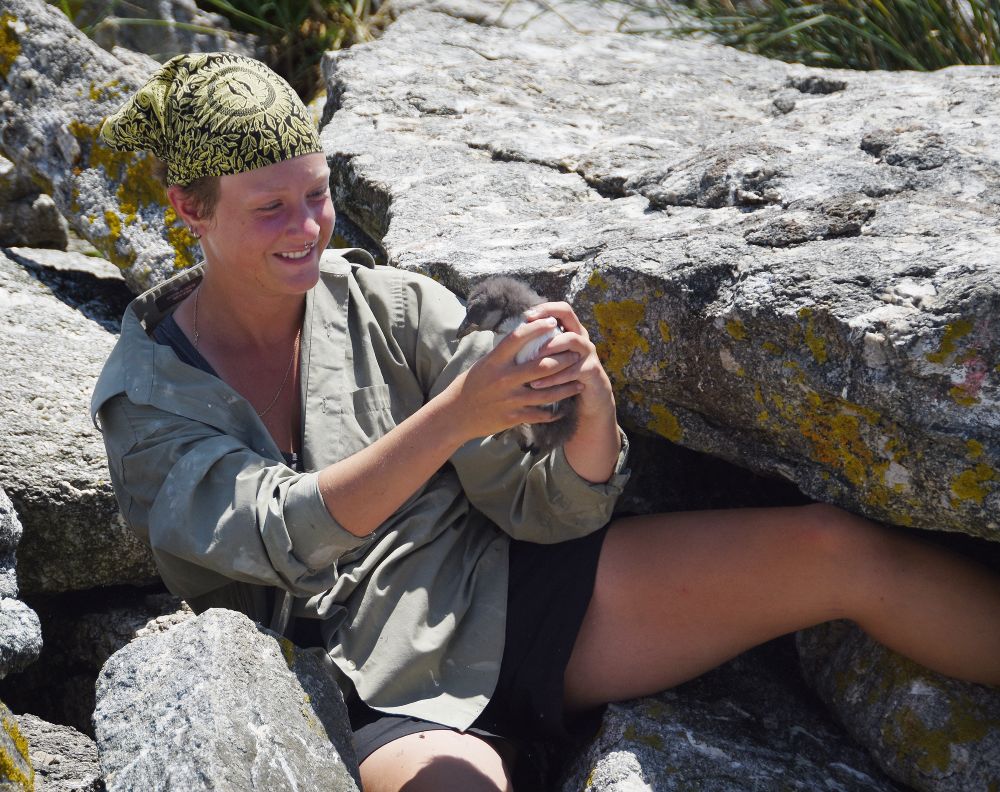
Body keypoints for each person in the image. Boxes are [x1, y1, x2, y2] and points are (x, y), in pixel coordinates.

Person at [91, 53, 1000, 792]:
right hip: (362, 685)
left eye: (318, 194)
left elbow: (537, 506)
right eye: (271, 208)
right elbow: (281, 535)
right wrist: (453, 417)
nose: (309, 228)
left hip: (506, 595)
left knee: (834, 549)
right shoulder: (147, 401)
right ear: (190, 209)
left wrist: (589, 415)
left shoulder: (391, 306)